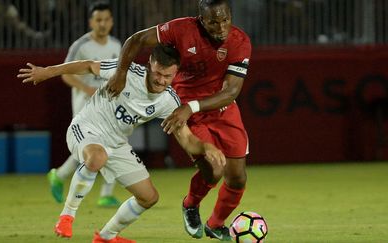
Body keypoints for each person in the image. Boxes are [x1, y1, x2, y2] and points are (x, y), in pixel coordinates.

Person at [18, 44, 226, 243]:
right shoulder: (127, 73)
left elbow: (187, 139)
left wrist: (206, 146)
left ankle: (106, 236)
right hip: (87, 127)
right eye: (158, 74)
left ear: (175, 73)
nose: (161, 81)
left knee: (148, 197)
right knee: (97, 156)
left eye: (168, 76)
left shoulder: (169, 102)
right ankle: (66, 217)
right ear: (150, 64)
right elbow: (89, 65)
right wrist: (48, 71)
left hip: (116, 144)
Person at [105, 0, 251, 241]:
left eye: (225, 20)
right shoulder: (180, 29)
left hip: (220, 107)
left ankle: (216, 224)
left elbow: (231, 92)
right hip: (182, 109)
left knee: (237, 177)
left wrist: (191, 107)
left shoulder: (239, 41)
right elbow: (136, 40)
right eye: (214, 22)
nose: (221, 27)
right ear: (201, 20)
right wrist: (121, 73)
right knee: (214, 171)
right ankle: (191, 205)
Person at [46, 2, 123, 207]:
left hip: (108, 105)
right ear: (91, 22)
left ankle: (105, 193)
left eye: (106, 19)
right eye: (98, 20)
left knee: (113, 144)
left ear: (112, 21)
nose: (103, 24)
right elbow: (66, 75)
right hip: (85, 105)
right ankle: (60, 175)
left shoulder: (117, 46)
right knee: (89, 149)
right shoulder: (81, 46)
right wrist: (86, 88)